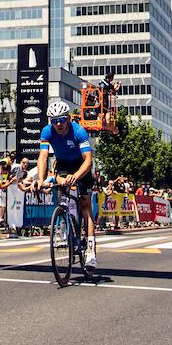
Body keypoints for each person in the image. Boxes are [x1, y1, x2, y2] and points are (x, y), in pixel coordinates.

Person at [36, 99, 98, 272]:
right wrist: (41, 180)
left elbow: (88, 160)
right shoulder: (47, 131)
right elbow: (43, 156)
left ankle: (91, 251)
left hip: (81, 166)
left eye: (61, 120)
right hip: (63, 165)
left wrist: (76, 176)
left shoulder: (79, 131)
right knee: (61, 192)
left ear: (68, 118)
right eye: (54, 121)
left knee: (85, 206)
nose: (58, 124)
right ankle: (64, 224)